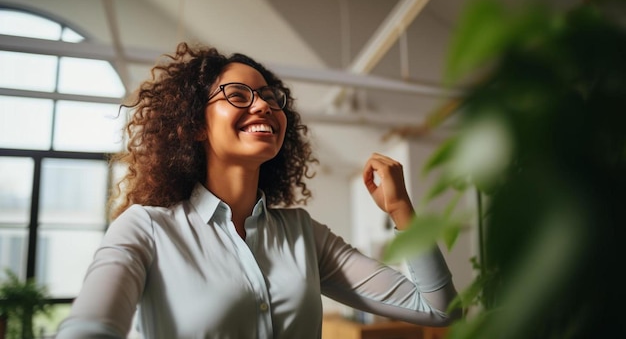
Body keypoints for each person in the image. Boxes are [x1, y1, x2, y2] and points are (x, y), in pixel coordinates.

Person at [56, 42, 460, 339]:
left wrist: (401, 208)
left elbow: (440, 311)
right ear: (196, 123)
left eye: (271, 97)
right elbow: (90, 328)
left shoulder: (304, 234)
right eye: (238, 96)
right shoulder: (145, 229)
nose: (264, 106)